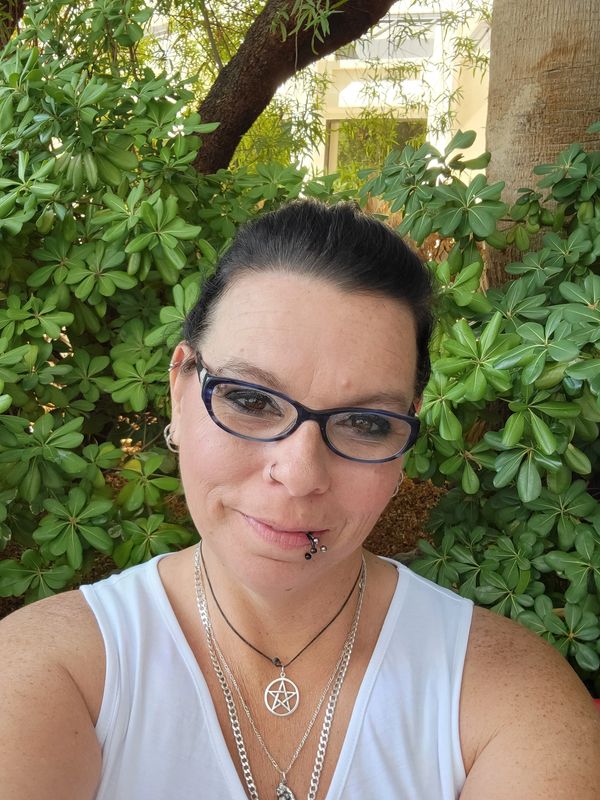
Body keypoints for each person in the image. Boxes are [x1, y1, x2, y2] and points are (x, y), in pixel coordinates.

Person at [1, 200, 599, 800]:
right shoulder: (50, 674)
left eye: (365, 423)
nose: (300, 473)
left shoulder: (509, 698)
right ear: (181, 391)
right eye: (252, 400)